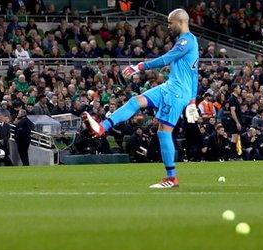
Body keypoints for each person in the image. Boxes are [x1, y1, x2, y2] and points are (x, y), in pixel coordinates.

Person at [82, 8, 199, 188]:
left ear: (181, 22)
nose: (168, 26)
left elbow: (167, 58)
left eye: (170, 23)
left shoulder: (186, 40)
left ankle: (171, 178)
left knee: (163, 132)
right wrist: (192, 101)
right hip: (169, 87)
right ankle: (101, 128)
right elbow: (194, 73)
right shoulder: (189, 41)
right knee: (135, 101)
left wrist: (141, 66)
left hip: (176, 93)